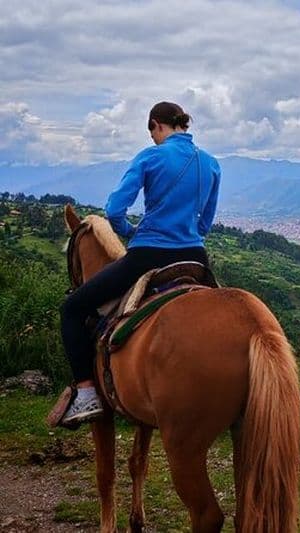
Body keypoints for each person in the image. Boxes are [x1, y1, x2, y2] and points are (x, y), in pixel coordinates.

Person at [60, 101, 221, 425]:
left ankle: (87, 394)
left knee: (72, 309)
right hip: (196, 257)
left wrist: (131, 231)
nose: (154, 140)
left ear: (156, 126)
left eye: (153, 134)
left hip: (149, 254)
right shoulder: (212, 163)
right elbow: (205, 224)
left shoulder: (150, 157)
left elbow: (115, 209)